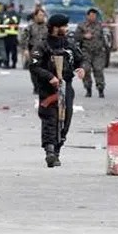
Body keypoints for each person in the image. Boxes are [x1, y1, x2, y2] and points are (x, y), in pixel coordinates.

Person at [29, 14, 85, 168]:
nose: (66, 29)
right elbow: (34, 66)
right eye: (64, 26)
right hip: (49, 89)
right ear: (55, 28)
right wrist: (50, 77)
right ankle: (50, 151)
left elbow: (80, 59)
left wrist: (81, 68)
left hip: (66, 86)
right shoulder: (42, 46)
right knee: (50, 118)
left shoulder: (69, 45)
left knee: (65, 119)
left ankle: (58, 149)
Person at [76, 7, 107, 98]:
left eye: (95, 16)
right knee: (86, 70)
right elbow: (76, 37)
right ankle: (88, 88)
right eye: (91, 15)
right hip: (86, 52)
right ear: (87, 16)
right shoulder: (82, 25)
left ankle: (100, 89)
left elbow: (103, 38)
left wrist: (106, 48)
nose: (93, 17)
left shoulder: (99, 26)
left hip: (98, 53)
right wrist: (84, 36)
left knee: (98, 70)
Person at [20, 7, 48, 94]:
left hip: (46, 52)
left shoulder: (48, 27)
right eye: (40, 15)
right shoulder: (30, 27)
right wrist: (25, 50)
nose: (41, 17)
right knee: (34, 70)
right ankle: (36, 87)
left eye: (43, 15)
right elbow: (24, 39)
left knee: (45, 70)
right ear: (35, 16)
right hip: (34, 51)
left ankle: (43, 86)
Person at [3, 2, 20, 68]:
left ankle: (10, 63)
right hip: (11, 35)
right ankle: (11, 63)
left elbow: (6, 21)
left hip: (10, 35)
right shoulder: (15, 14)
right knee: (11, 50)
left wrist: (9, 19)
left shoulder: (7, 14)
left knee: (10, 50)